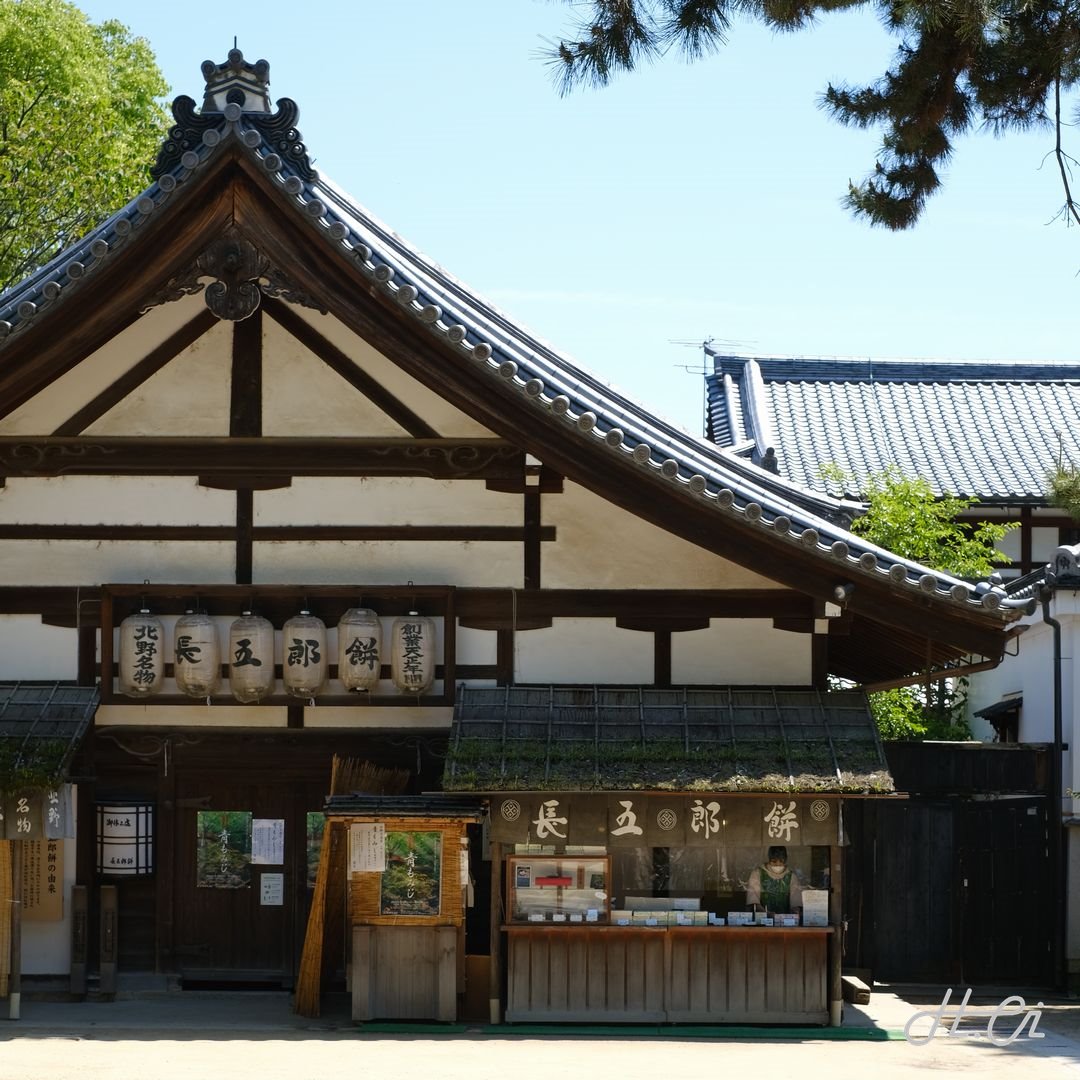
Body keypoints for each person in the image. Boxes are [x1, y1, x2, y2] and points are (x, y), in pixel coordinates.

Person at [745, 845, 802, 915]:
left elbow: (796, 903)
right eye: (774, 861)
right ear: (769, 860)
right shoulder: (757, 874)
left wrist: (795, 912)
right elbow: (753, 901)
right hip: (761, 919)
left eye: (781, 861)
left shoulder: (791, 876)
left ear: (785, 860)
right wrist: (765, 913)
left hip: (784, 921)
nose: (778, 864)